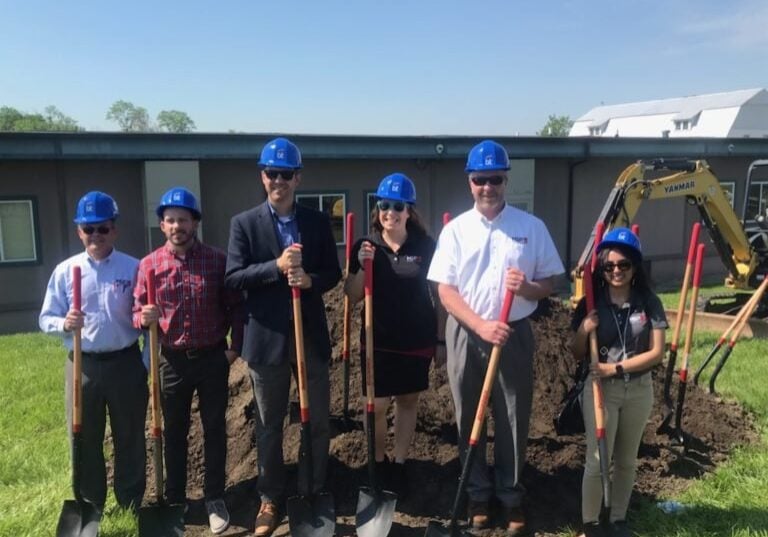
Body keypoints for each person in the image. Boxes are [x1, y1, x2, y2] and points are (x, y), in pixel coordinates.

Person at [427, 140, 564, 535]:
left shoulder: (530, 228)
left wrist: (528, 289)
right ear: (470, 182)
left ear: (506, 180)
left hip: (515, 333)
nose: (488, 187)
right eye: (480, 179)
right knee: (467, 416)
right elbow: (445, 291)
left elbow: (550, 282)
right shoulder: (455, 231)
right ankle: (476, 496)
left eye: (495, 179)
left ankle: (511, 497)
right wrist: (480, 325)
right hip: (465, 333)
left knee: (512, 418)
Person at [225, 137, 342, 537]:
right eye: (272, 173)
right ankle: (270, 497)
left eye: (286, 174)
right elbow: (234, 277)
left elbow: (333, 273)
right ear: (263, 177)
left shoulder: (315, 221)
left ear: (298, 178)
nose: (279, 180)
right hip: (267, 338)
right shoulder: (244, 224)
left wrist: (310, 279)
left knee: (317, 420)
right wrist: (275, 267)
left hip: (308, 336)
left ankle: (313, 490)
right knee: (269, 423)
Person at [133, 187, 244, 535]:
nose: (177, 225)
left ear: (195, 222)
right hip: (171, 361)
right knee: (174, 432)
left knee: (214, 430)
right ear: (162, 225)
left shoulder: (216, 260)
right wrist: (143, 318)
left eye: (183, 219)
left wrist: (233, 348)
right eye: (170, 220)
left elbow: (235, 306)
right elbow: (136, 311)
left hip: (212, 357)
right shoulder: (149, 264)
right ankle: (176, 499)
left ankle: (214, 497)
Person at [39, 191, 147, 513]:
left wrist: (142, 363)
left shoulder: (133, 268)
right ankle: (91, 502)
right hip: (83, 365)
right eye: (89, 229)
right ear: (79, 232)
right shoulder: (65, 271)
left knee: (129, 434)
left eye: (102, 228)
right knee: (84, 436)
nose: (95, 235)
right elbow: (45, 318)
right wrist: (64, 322)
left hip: (125, 362)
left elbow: (144, 317)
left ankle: (130, 500)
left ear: (114, 229)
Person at [344, 173, 445, 498]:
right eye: (384, 205)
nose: (390, 212)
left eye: (397, 206)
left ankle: (399, 463)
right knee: (375, 404)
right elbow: (352, 295)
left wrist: (440, 340)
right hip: (378, 340)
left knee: (407, 400)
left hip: (417, 337)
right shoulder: (366, 245)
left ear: (409, 210)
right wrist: (361, 267)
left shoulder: (426, 246)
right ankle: (377, 462)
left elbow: (439, 294)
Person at [571, 228, 667, 537]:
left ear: (635, 266)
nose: (616, 271)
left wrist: (617, 368)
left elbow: (656, 353)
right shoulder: (590, 304)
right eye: (610, 266)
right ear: (602, 268)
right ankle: (590, 524)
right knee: (598, 460)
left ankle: (618, 519)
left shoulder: (649, 303)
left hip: (638, 389)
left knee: (626, 460)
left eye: (623, 265)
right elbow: (575, 352)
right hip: (601, 390)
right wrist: (585, 330)